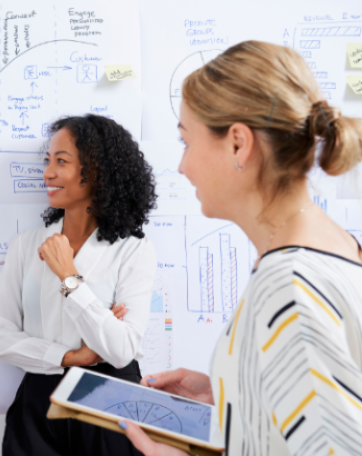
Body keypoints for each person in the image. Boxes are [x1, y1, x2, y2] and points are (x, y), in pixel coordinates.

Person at [120, 41, 362, 455]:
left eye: (186, 143)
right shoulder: (337, 247)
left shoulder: (287, 286)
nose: (182, 166)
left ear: (238, 144)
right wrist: (233, 394)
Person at [0, 114, 158, 455]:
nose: (48, 173)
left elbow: (121, 350)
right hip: (40, 402)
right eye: (48, 161)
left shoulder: (133, 250)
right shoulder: (26, 244)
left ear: (97, 171)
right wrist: (70, 355)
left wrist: (69, 277)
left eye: (61, 162)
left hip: (111, 399)